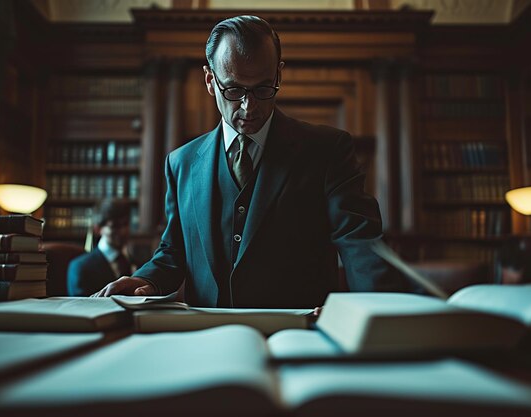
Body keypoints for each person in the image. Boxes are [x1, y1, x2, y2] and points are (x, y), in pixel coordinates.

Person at [92, 15, 389, 308]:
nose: (250, 107)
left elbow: (360, 243)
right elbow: (174, 253)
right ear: (210, 80)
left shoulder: (328, 150)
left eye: (263, 88)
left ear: (278, 76)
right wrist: (147, 280)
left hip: (298, 336)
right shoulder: (180, 163)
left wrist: (381, 313)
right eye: (234, 90)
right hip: (205, 338)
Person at [68, 200, 135, 296]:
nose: (123, 231)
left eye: (125, 224)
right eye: (115, 226)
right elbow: (80, 306)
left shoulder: (136, 262)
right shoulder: (80, 267)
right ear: (98, 229)